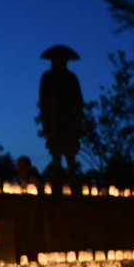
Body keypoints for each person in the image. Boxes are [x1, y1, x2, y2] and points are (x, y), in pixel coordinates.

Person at [38, 44, 85, 183]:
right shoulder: (47, 77)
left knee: (71, 158)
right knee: (56, 156)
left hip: (70, 122)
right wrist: (47, 121)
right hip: (54, 121)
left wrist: (77, 121)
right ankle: (57, 188)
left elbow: (79, 101)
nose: (59, 63)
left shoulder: (71, 78)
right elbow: (43, 102)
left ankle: (74, 189)